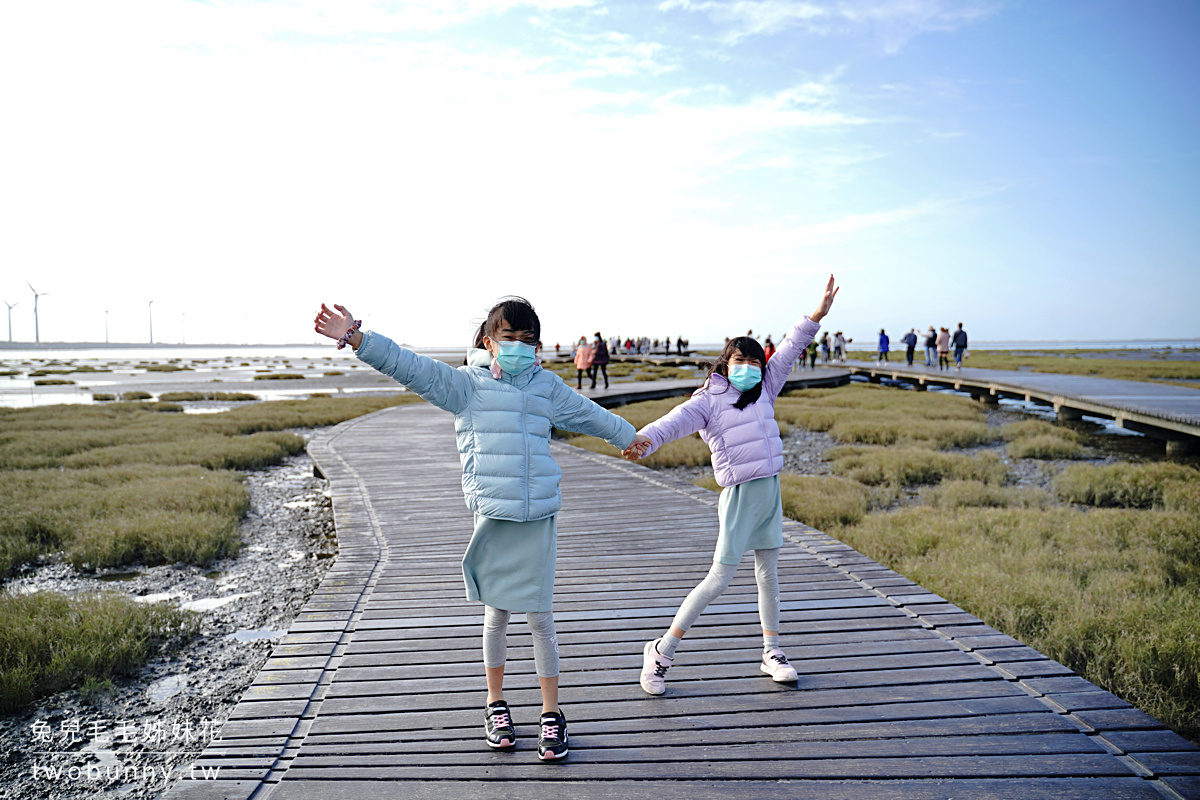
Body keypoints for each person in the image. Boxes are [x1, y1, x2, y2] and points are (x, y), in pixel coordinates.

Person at [313, 298, 637, 761]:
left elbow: (590, 415)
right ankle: (496, 704)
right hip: (492, 516)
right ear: (488, 341)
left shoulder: (546, 386)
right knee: (497, 616)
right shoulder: (466, 386)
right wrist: (357, 338)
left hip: (538, 516)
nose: (520, 347)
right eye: (510, 338)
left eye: (529, 340)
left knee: (541, 618)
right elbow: (411, 366)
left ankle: (551, 714)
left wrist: (630, 437)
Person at [622, 275, 839, 695]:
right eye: (739, 360)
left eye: (754, 362)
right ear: (725, 362)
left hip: (769, 491)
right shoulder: (708, 400)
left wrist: (816, 315)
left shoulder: (766, 388)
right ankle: (661, 651)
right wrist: (641, 440)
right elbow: (673, 423)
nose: (748, 367)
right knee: (719, 579)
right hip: (739, 496)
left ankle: (771, 652)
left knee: (768, 576)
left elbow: (792, 347)